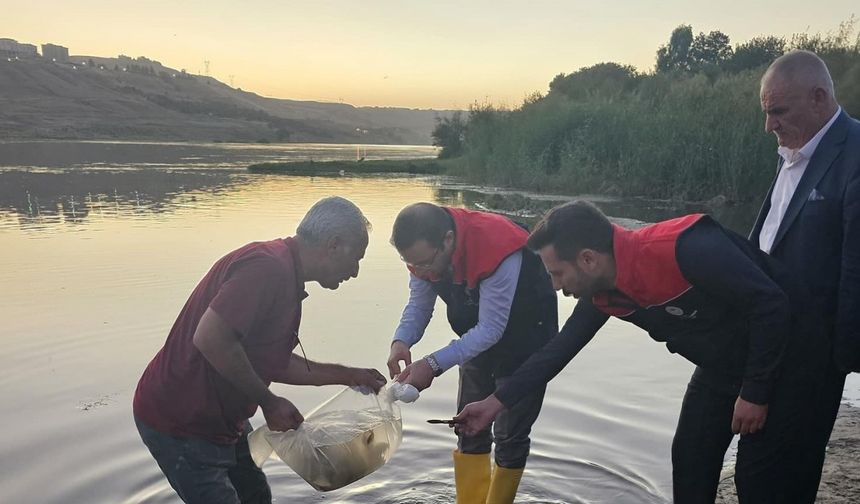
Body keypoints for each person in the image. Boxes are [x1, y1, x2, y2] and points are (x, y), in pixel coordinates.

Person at [455, 200, 816, 503]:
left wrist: (755, 391)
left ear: (588, 259)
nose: (555, 285)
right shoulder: (604, 293)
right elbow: (557, 352)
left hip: (788, 357)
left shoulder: (684, 247)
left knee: (758, 478)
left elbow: (771, 305)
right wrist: (494, 404)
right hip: (722, 366)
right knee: (690, 458)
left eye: (557, 273)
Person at [133, 196, 387, 504]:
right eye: (356, 258)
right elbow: (210, 338)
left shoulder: (287, 275)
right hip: (181, 420)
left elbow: (275, 363)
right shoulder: (267, 267)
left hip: (223, 420)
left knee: (256, 498)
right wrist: (268, 401)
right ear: (333, 245)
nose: (356, 271)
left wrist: (349, 375)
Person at [386, 203, 557, 504]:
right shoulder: (423, 255)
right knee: (469, 426)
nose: (421, 272)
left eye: (425, 263)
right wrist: (402, 340)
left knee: (509, 435)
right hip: (475, 337)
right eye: (412, 265)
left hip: (527, 339)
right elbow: (419, 304)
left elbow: (492, 328)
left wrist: (433, 364)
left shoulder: (496, 245)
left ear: (448, 240)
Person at [750, 49, 860, 500]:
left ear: (818, 98)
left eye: (778, 111)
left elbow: (855, 269)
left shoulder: (855, 154)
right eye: (766, 112)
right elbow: (771, 236)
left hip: (814, 352)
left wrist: (839, 358)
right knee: (761, 472)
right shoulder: (796, 148)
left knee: (781, 476)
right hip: (769, 341)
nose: (769, 125)